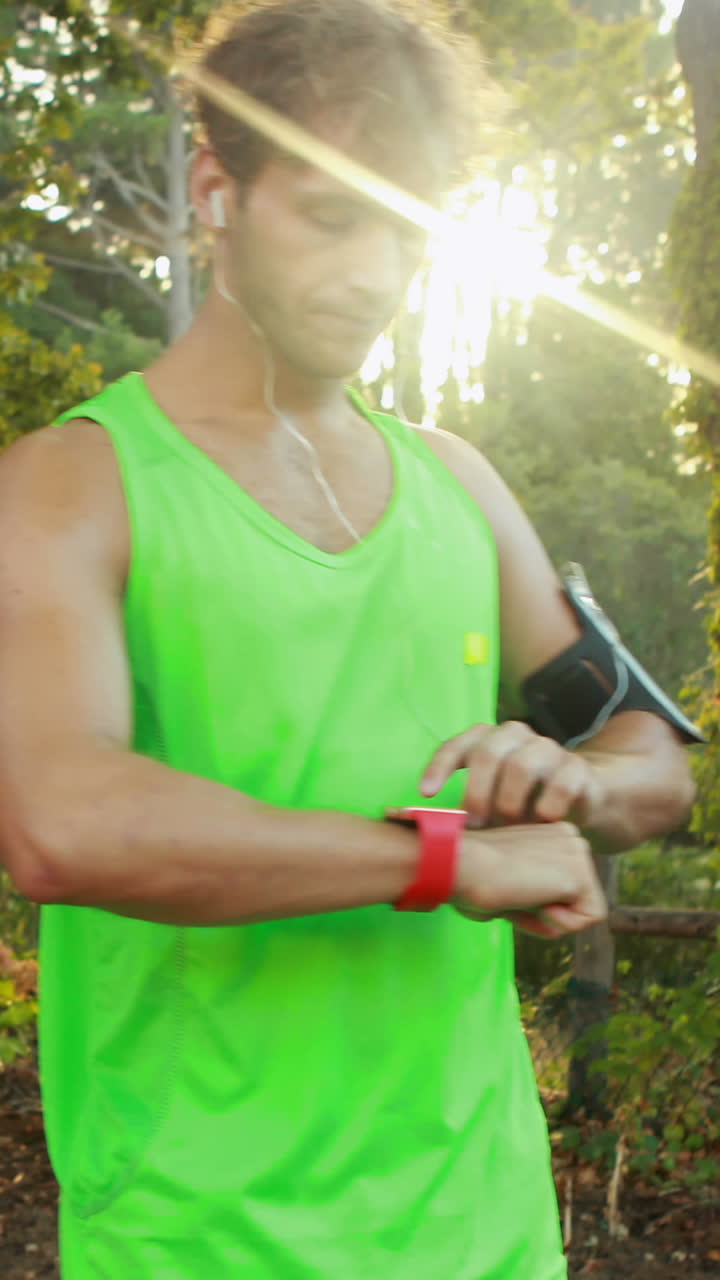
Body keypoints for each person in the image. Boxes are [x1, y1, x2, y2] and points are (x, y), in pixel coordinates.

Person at [0, 2, 697, 1277]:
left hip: (483, 1226)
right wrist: (437, 860)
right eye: (331, 216)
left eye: (408, 226)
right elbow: (60, 818)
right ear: (218, 191)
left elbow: (655, 752)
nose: (376, 271)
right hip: (198, 1238)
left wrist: (578, 782)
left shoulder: (459, 485)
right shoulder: (69, 486)